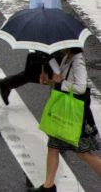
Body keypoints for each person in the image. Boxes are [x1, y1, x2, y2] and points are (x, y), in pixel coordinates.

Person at [0, 0, 75, 105]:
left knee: (37, 69)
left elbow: (47, 5)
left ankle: (7, 83)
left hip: (40, 32)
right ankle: (57, 108)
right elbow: (53, 18)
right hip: (49, 36)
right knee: (59, 72)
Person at [34, 48, 101, 191]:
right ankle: (48, 186)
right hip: (63, 112)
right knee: (53, 147)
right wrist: (49, 81)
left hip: (74, 115)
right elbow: (62, 83)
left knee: (84, 153)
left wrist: (60, 82)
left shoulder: (78, 61)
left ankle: (48, 186)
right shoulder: (68, 57)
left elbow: (81, 88)